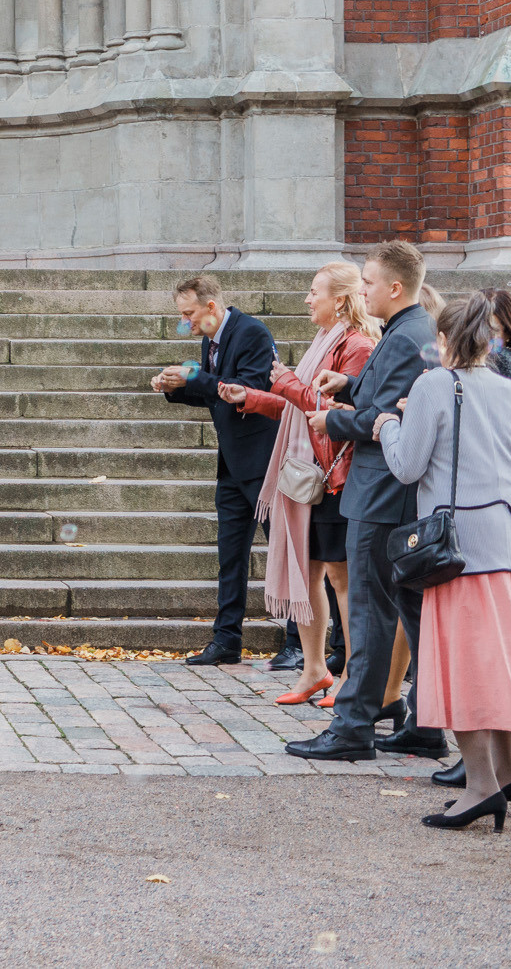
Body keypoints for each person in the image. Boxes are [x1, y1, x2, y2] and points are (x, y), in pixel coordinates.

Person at [373, 291, 511, 832]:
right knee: (498, 662)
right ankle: (505, 772)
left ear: (443, 340)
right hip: (507, 546)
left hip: (456, 550)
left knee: (468, 667)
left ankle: (480, 787)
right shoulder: (510, 389)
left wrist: (387, 427)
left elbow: (407, 467)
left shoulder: (434, 385)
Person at [287, 240, 439, 763]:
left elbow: (386, 419)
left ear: (395, 287)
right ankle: (427, 723)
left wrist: (332, 419)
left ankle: (352, 727)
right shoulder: (410, 329)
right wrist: (350, 386)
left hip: (381, 494)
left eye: (369, 282)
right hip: (393, 493)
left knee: (372, 611)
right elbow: (382, 398)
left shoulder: (405, 335)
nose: (363, 290)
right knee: (412, 611)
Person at [219, 261, 378, 703]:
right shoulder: (324, 339)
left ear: (339, 300)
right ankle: (313, 670)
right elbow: (296, 410)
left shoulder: (357, 345)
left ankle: (351, 675)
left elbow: (332, 414)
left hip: (336, 477)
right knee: (308, 576)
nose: (307, 299)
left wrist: (287, 382)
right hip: (309, 476)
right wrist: (253, 397)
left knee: (342, 579)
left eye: (314, 292)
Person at [150, 273, 277, 665]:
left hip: (264, 463)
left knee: (283, 554)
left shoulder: (252, 333)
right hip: (232, 466)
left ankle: (296, 643)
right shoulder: (210, 338)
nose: (184, 322)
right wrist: (175, 389)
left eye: (188, 314)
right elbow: (215, 395)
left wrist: (195, 377)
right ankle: (226, 640)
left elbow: (247, 390)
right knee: (230, 556)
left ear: (210, 306)